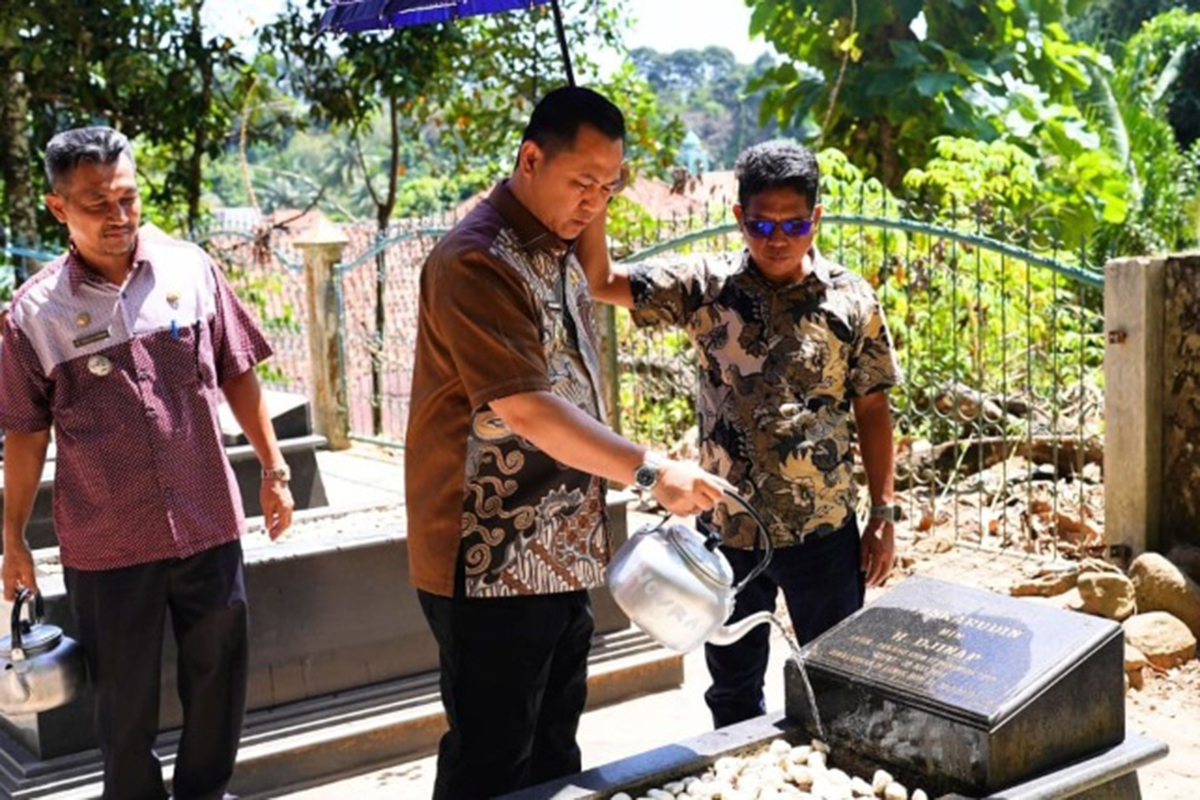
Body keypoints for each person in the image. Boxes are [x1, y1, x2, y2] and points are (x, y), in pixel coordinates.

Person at [406, 86, 730, 799]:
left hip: (558, 548)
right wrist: (650, 472)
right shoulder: (476, 261)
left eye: (608, 188)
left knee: (555, 751)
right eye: (581, 182)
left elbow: (599, 267)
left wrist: (589, 203)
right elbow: (527, 409)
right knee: (492, 761)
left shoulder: (553, 245)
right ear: (529, 159)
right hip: (487, 553)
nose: (593, 202)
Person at [0, 126, 294, 800]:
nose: (120, 217)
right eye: (97, 204)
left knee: (219, 683)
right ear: (57, 209)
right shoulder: (35, 315)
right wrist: (12, 538)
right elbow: (24, 432)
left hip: (207, 521)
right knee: (123, 710)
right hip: (109, 542)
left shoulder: (191, 271)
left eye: (128, 198)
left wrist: (274, 471)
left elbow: (238, 372)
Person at [580, 139, 903, 728]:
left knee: (836, 687)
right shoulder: (706, 287)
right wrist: (600, 193)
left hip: (823, 534)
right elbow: (600, 280)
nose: (776, 237)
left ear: (816, 218)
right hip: (725, 532)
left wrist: (883, 514)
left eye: (792, 223)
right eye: (760, 222)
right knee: (732, 694)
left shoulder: (851, 300)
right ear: (738, 218)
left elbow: (873, 410)